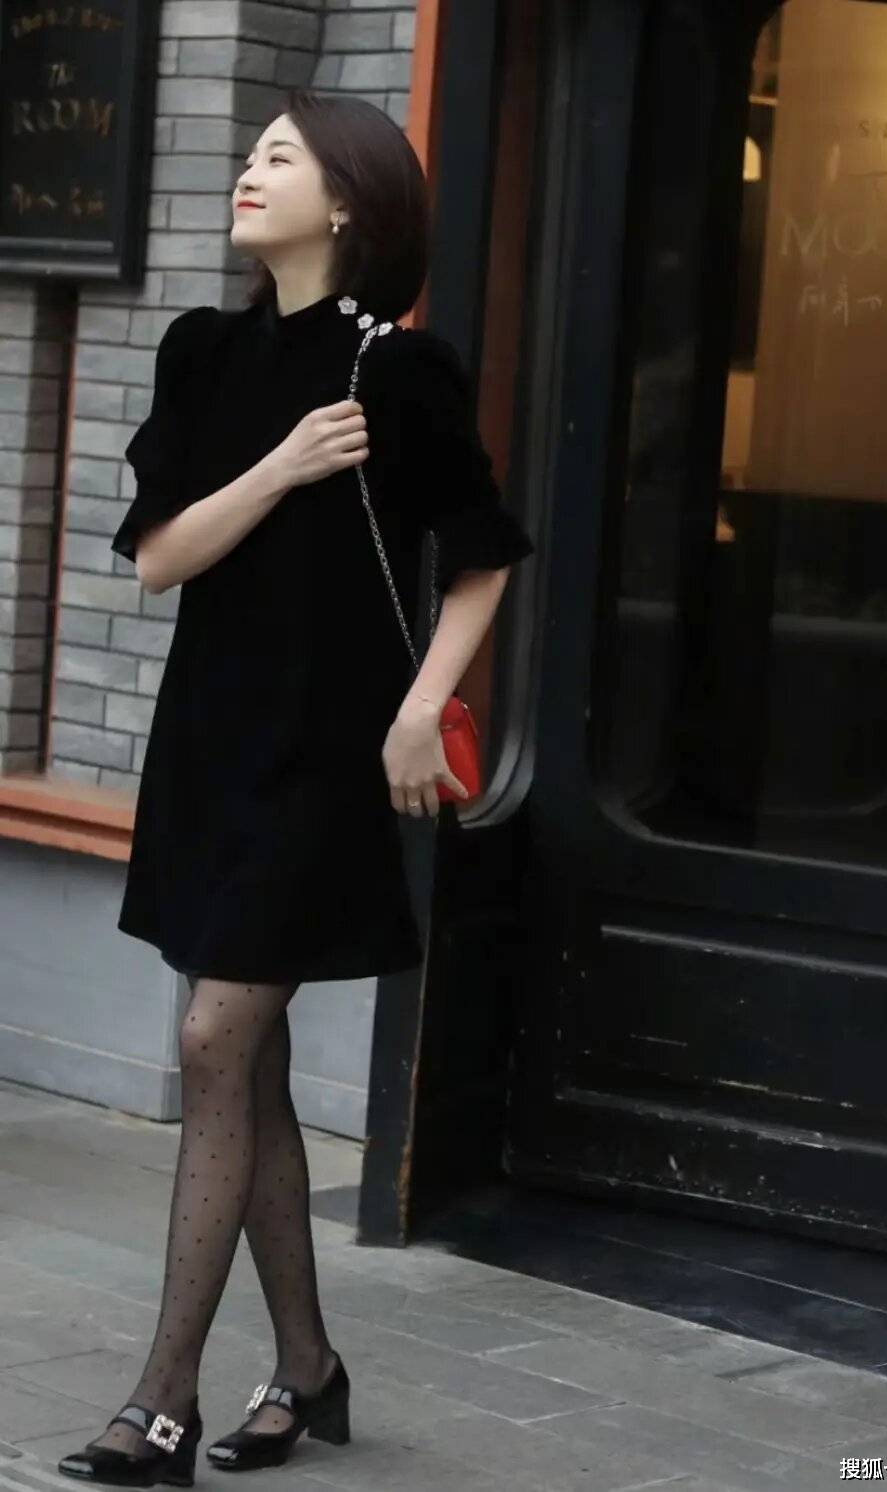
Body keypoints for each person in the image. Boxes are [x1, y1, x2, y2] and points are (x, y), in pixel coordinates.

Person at [56, 88, 534, 1485]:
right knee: (245, 1060)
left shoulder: (404, 370)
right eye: (252, 152)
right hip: (212, 742)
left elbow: (484, 557)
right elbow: (159, 558)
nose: (250, 172)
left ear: (349, 203)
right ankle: (309, 1364)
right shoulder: (203, 352)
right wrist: (280, 465)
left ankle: (162, 1401)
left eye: (282, 157)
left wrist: (422, 709)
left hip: (329, 760)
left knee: (216, 1037)